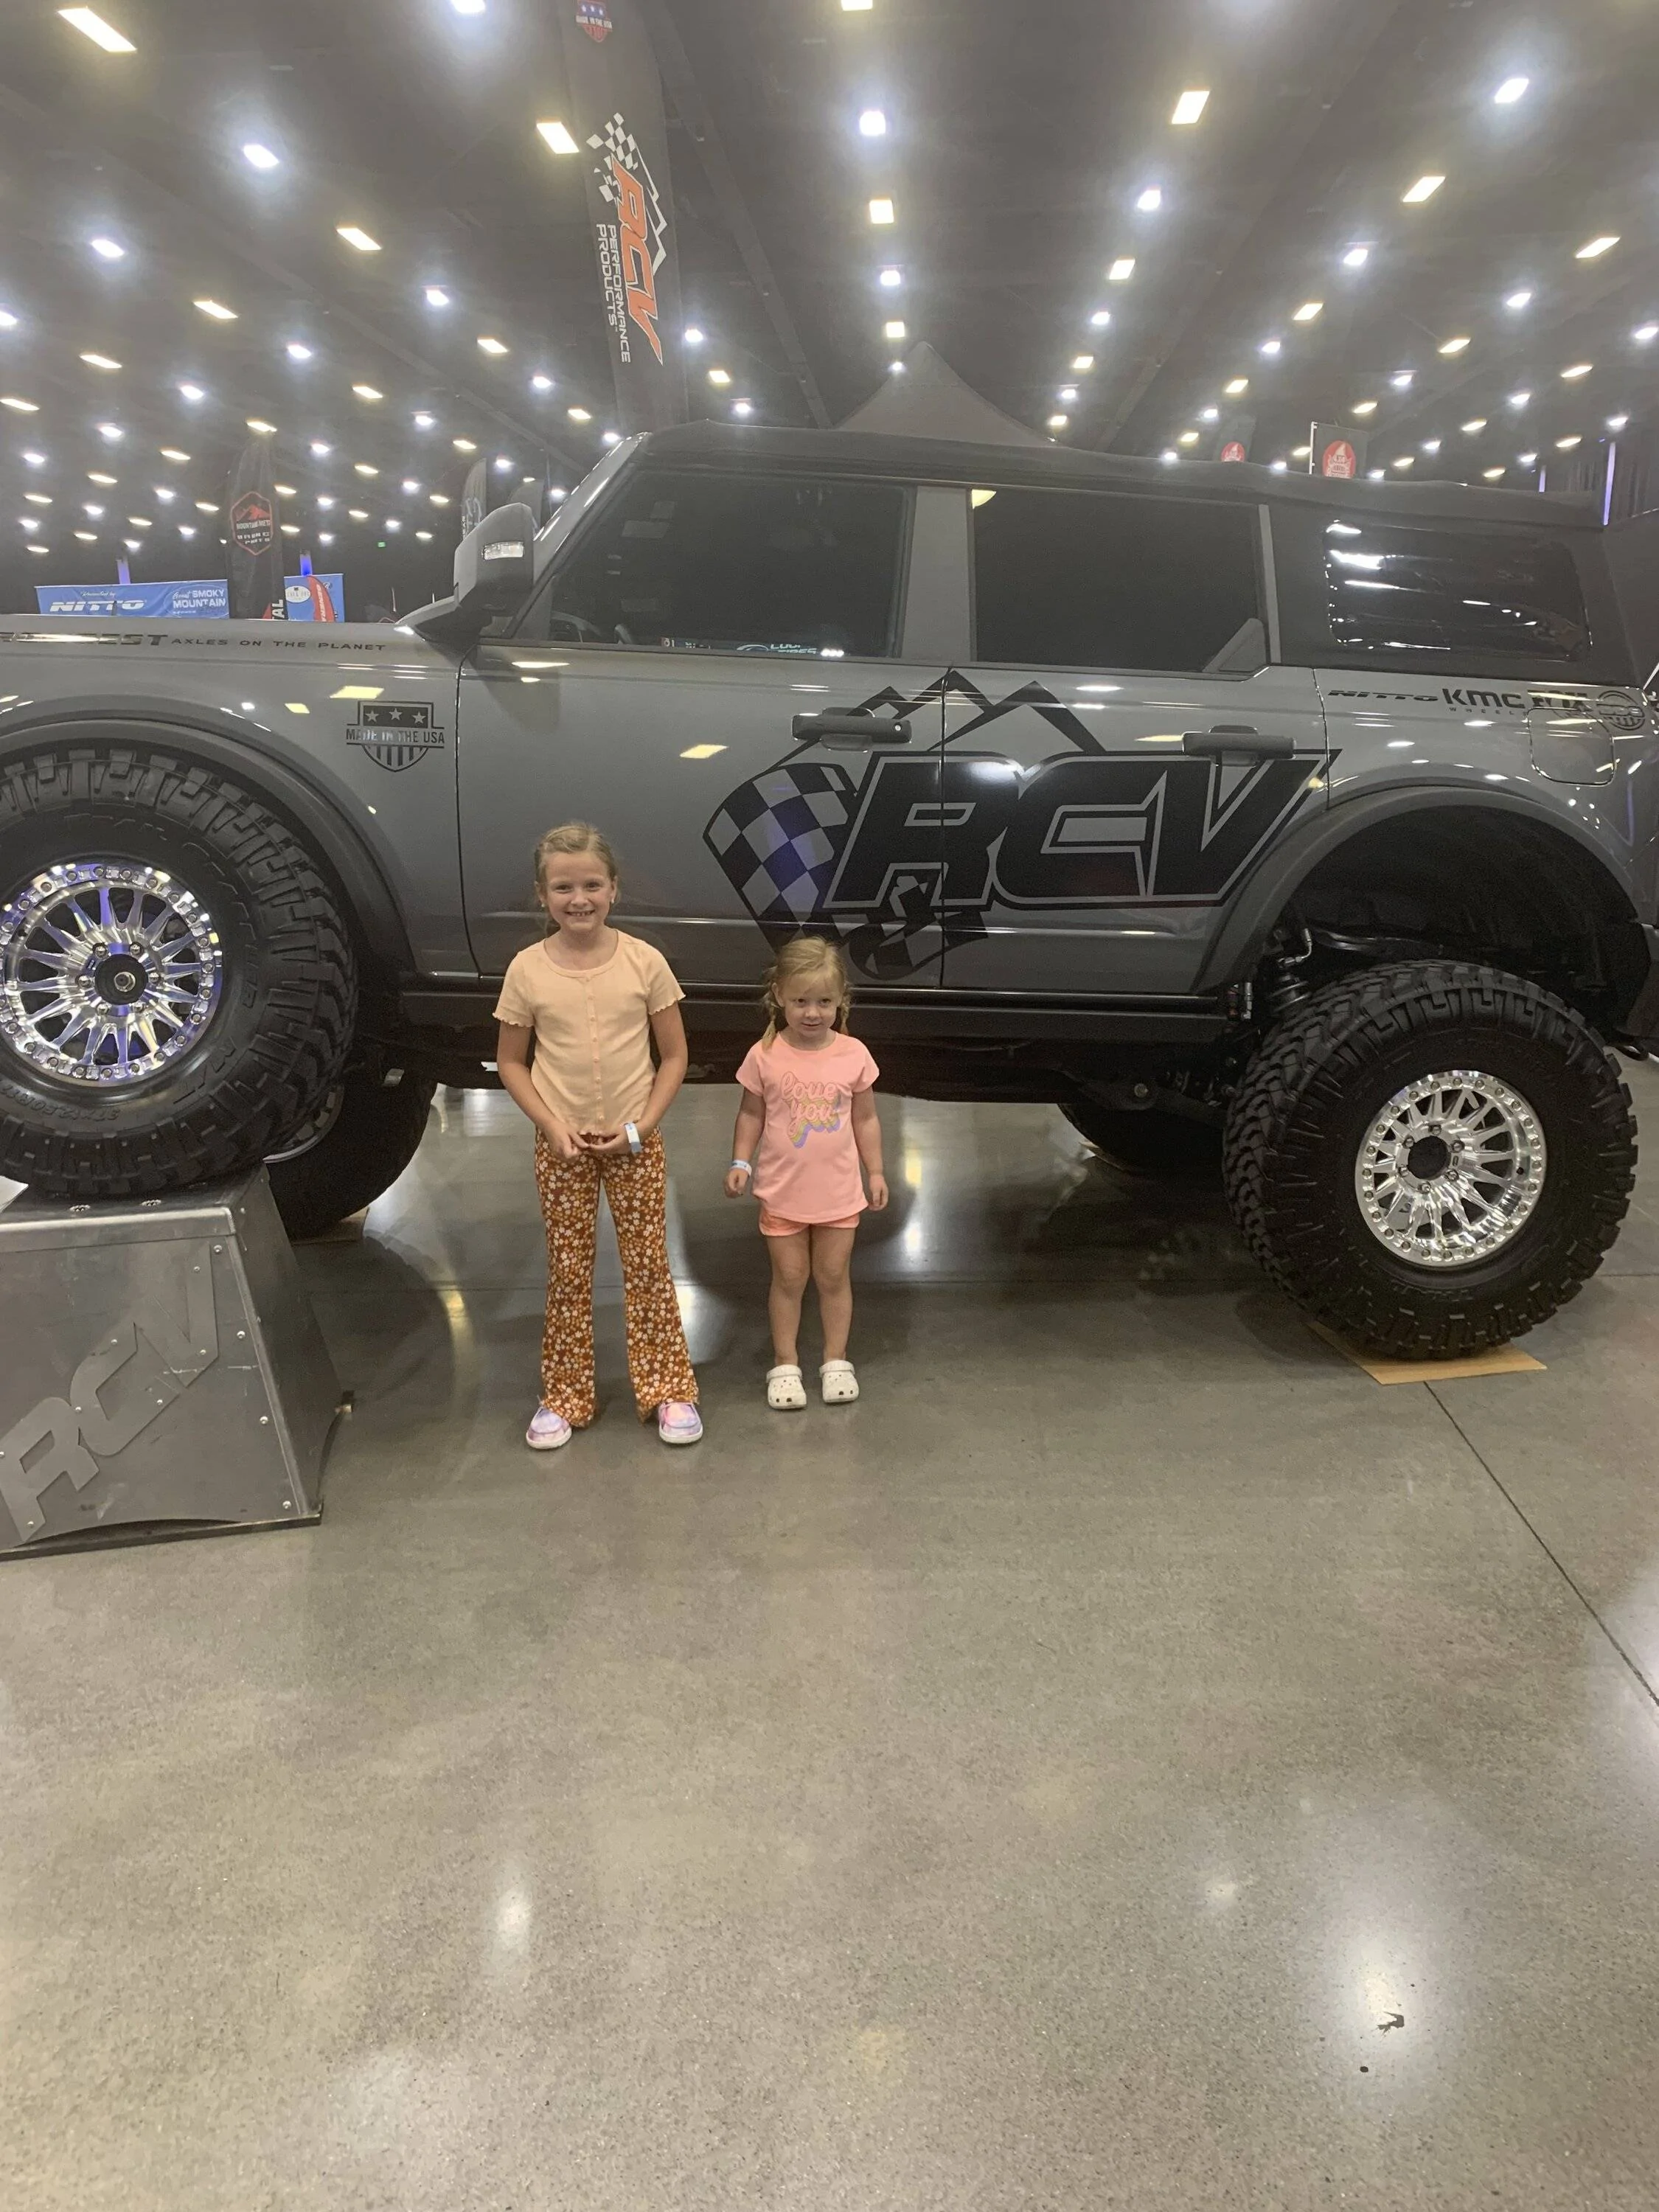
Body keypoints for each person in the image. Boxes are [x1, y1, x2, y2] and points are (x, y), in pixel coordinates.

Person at [495, 823, 702, 1451]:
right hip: (563, 1150)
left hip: (635, 1144)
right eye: (563, 887)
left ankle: (669, 1388)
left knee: (648, 1266)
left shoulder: (645, 962)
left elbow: (674, 1056)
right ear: (542, 895)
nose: (578, 899)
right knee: (568, 1270)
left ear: (614, 889)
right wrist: (552, 1126)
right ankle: (564, 1395)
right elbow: (511, 1062)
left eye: (591, 885)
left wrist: (643, 1125)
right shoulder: (526, 969)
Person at [725, 936, 888, 1408]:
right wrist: (740, 1161)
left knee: (834, 1276)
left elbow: (865, 1119)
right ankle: (785, 1364)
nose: (812, 1013)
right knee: (790, 1277)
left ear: (841, 1000)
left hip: (839, 1193)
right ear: (778, 995)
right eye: (800, 1001)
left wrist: (875, 1171)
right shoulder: (764, 1055)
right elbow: (751, 1114)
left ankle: (836, 1360)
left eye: (824, 1002)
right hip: (783, 1193)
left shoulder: (854, 1054)